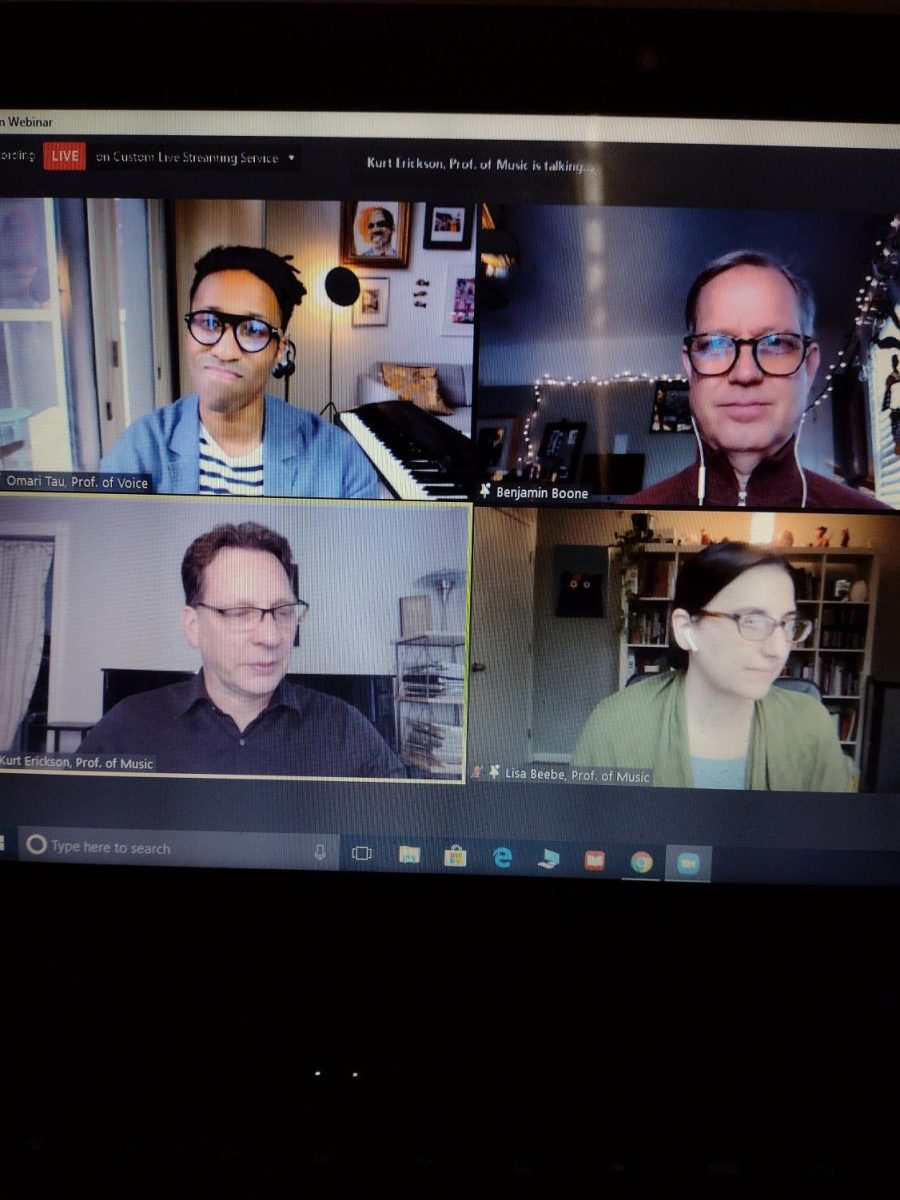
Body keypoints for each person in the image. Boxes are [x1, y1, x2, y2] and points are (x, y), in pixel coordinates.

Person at [78, 522, 407, 778]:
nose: (271, 636)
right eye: (239, 613)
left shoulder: (345, 728)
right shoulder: (129, 726)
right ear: (194, 627)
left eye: (282, 611)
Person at [100, 246, 379, 498]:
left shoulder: (342, 463)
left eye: (253, 330)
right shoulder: (138, 450)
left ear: (280, 349)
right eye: (208, 322)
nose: (224, 351)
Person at [573, 542, 854, 791]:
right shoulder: (614, 725)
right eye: (752, 622)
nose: (779, 650)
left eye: (789, 624)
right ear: (686, 630)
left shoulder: (810, 725)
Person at [628, 251, 888, 509]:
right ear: (689, 366)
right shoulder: (633, 513)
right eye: (716, 344)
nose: (745, 373)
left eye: (775, 343)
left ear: (809, 367)